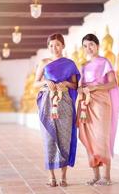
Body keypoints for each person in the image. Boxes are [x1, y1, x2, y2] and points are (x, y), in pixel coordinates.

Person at [34, 33, 80, 187]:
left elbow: (75, 86)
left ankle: (64, 176)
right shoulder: (44, 62)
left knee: (64, 138)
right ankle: (51, 176)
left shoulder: (70, 64)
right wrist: (46, 82)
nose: (54, 48)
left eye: (57, 44)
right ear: (48, 47)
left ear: (63, 45)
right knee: (49, 139)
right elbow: (35, 83)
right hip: (48, 103)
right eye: (51, 45)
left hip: (65, 104)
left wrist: (66, 83)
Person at [77, 33, 119, 186]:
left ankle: (106, 176)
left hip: (101, 102)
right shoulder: (83, 66)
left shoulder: (104, 62)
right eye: (85, 46)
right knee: (89, 138)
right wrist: (81, 90)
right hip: (86, 104)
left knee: (102, 137)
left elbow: (112, 83)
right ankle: (95, 175)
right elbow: (80, 86)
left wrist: (95, 87)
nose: (88, 48)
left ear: (97, 46)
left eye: (91, 45)